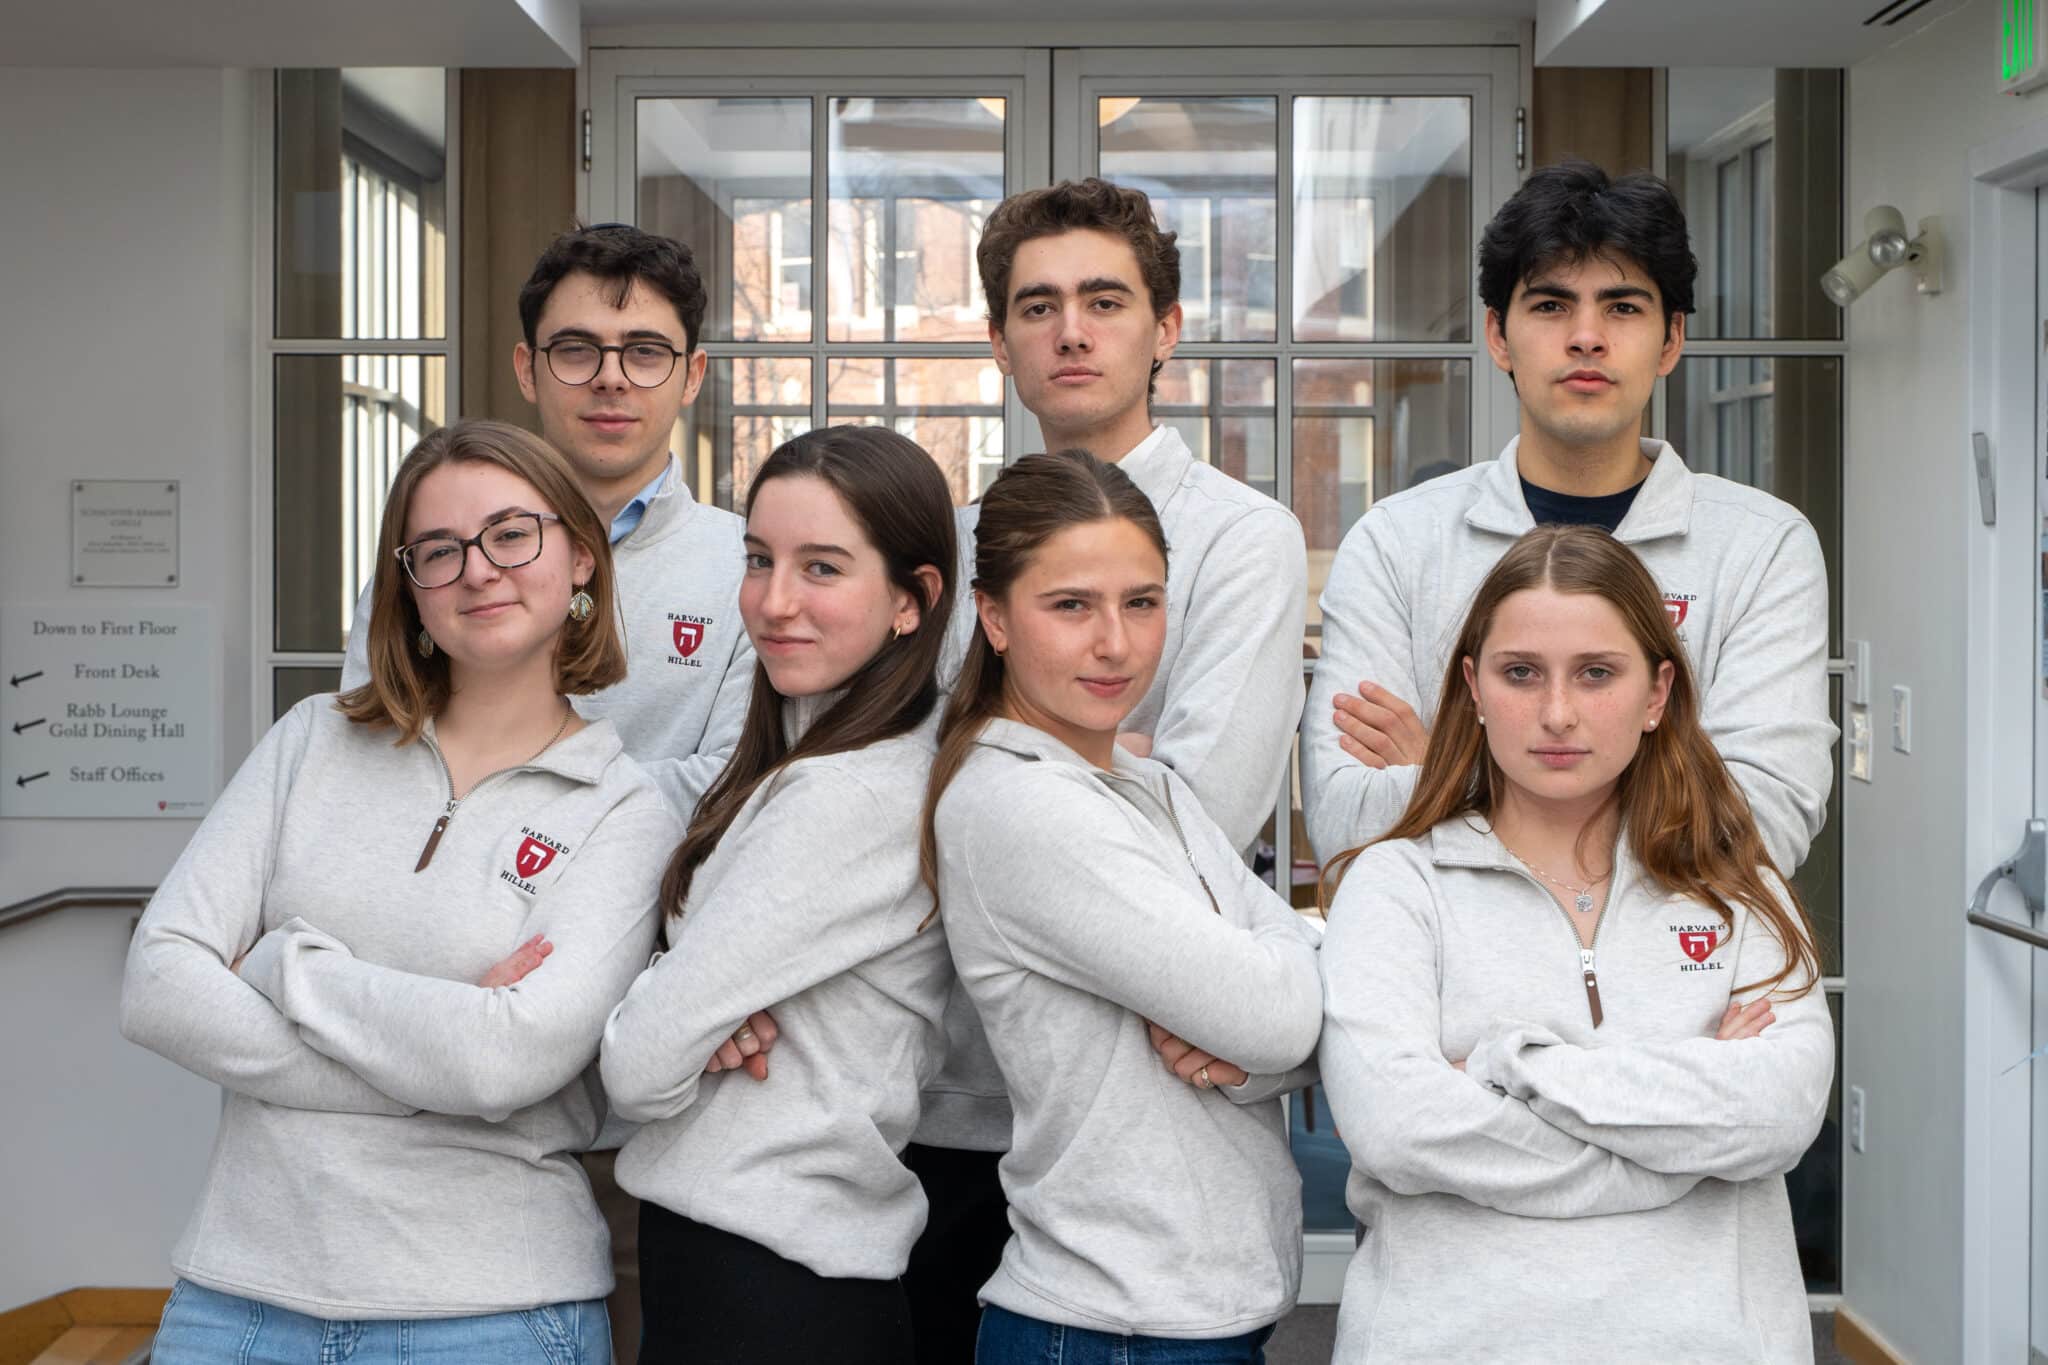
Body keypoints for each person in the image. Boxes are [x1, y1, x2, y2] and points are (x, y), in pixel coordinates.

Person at [121, 421, 678, 1364]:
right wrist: (431, 1057)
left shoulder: (624, 812)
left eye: (512, 534)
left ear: (581, 557)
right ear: (409, 587)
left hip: (494, 1316)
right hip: (238, 1303)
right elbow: (158, 983)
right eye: (439, 550)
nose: (478, 570)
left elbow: (503, 1061)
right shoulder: (310, 740)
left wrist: (282, 964)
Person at [910, 178, 1311, 1362]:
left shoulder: (1241, 536)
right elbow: (917, 791)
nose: (1069, 332)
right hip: (946, 1096)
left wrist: (1052, 766)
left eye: (1103, 301)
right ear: (999, 343)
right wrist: (1078, 769)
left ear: (1164, 328)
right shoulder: (953, 548)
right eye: (1036, 308)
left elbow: (1199, 814)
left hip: (1159, 1090)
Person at [1318, 524, 1833, 1363]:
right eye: (1521, 672)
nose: (1557, 712)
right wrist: (1693, 1123)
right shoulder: (1396, 885)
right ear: (1473, 687)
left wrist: (1509, 1067)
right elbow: (1398, 1129)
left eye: (1596, 672)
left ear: (1657, 692)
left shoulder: (1742, 889)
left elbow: (1779, 1111)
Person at [1301, 160, 1833, 877]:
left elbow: (1760, 829)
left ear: (1671, 340)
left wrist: (1443, 769)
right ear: (1498, 335)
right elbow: (1347, 823)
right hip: (1447, 955)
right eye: (1551, 305)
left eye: (1623, 307)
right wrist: (1655, 784)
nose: (1587, 336)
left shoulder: (1762, 547)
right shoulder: (1396, 543)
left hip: (1672, 957)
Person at [598, 426, 957, 1364]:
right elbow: (668, 1029)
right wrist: (692, 993)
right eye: (759, 559)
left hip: (774, 1287)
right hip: (748, 1269)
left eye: (822, 567)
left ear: (913, 600)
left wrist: (675, 1001)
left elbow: (638, 1064)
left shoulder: (849, 794)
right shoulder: (801, 760)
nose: (774, 601)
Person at [343, 223, 754, 820]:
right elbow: (369, 755)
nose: (610, 378)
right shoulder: (439, 556)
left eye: (644, 351)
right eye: (576, 350)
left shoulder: (751, 568)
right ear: (527, 370)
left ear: (691, 375)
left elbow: (735, 785)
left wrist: (492, 791)